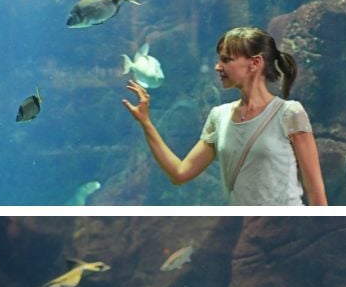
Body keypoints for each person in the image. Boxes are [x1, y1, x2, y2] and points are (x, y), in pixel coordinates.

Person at [122, 26, 327, 206]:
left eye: (226, 60)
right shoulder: (219, 116)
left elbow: (316, 195)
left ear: (254, 63)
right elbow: (180, 173)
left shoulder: (290, 113)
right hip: (247, 231)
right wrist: (145, 122)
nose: (217, 66)